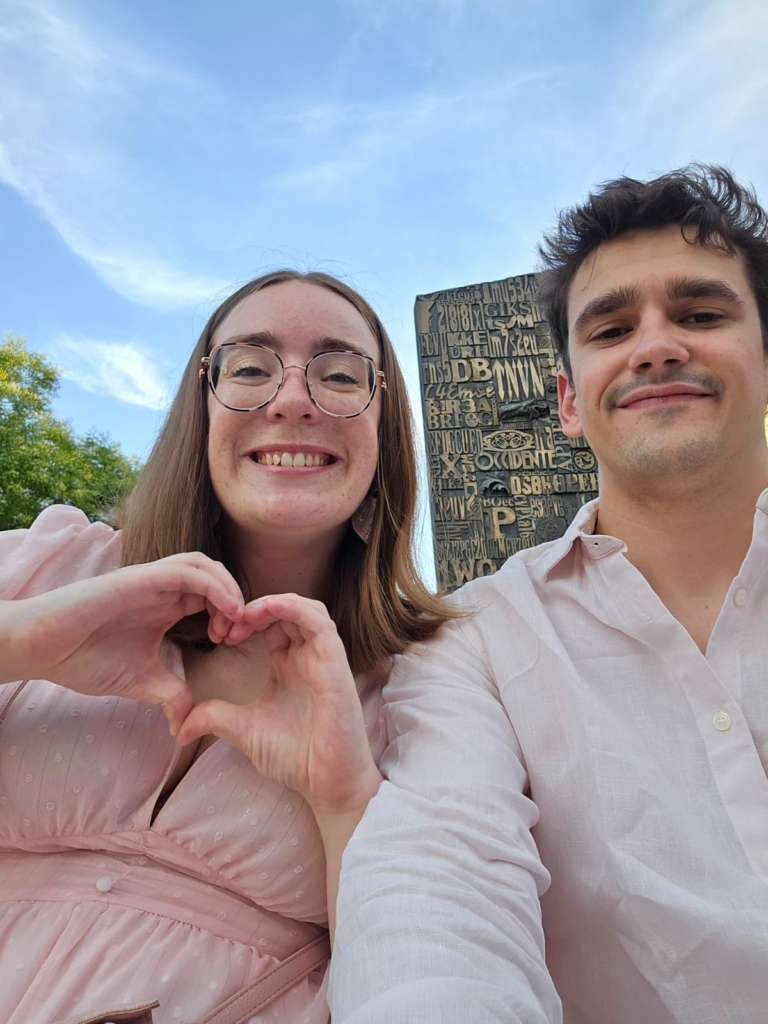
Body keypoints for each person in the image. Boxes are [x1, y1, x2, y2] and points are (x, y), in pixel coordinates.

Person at [329, 166, 768, 1023]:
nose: (655, 346)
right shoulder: (475, 645)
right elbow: (434, 890)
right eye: (611, 329)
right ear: (566, 401)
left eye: (700, 315)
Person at [0, 269, 451, 1024]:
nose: (293, 399)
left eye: (342, 375)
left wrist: (342, 799)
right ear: (200, 412)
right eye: (248, 368)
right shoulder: (49, 565)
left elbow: (428, 963)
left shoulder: (429, 682)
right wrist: (25, 642)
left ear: (386, 436)